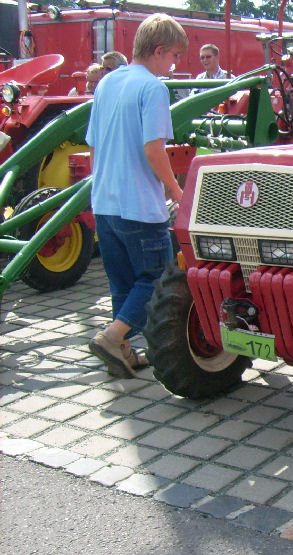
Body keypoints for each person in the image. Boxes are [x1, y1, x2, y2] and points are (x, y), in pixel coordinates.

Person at [86, 13, 188, 378]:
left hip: (105, 203)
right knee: (156, 280)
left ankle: (124, 352)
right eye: (174, 56)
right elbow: (153, 150)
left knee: (123, 284)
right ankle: (112, 337)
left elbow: (93, 144)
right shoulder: (153, 88)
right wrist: (176, 190)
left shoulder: (107, 83)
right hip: (139, 206)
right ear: (158, 50)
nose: (174, 65)